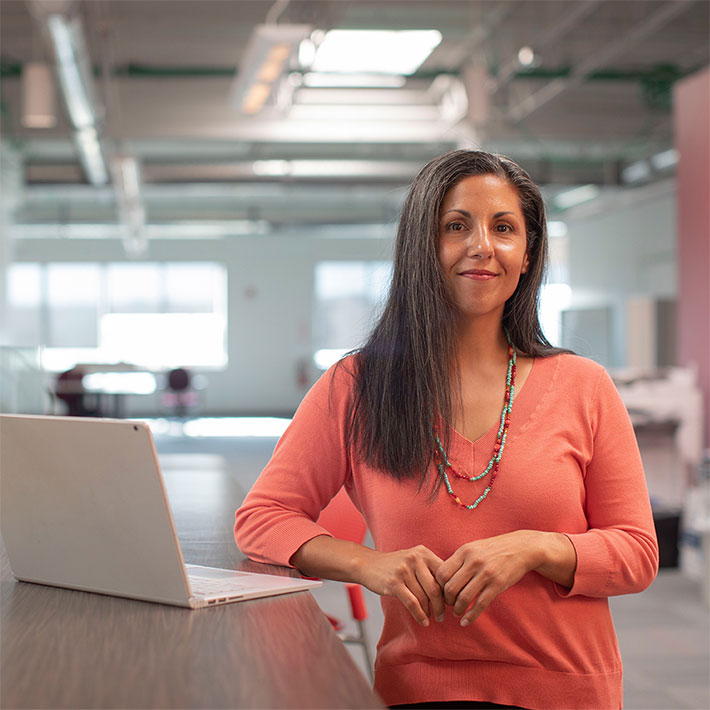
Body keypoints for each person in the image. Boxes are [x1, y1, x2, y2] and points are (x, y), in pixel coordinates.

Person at [235, 150, 658, 710]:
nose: (482, 245)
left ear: (527, 254)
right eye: (456, 226)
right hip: (417, 691)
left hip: (565, 690)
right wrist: (367, 564)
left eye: (503, 228)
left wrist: (535, 549)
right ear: (422, 248)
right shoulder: (357, 386)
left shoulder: (584, 386)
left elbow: (637, 553)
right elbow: (261, 519)